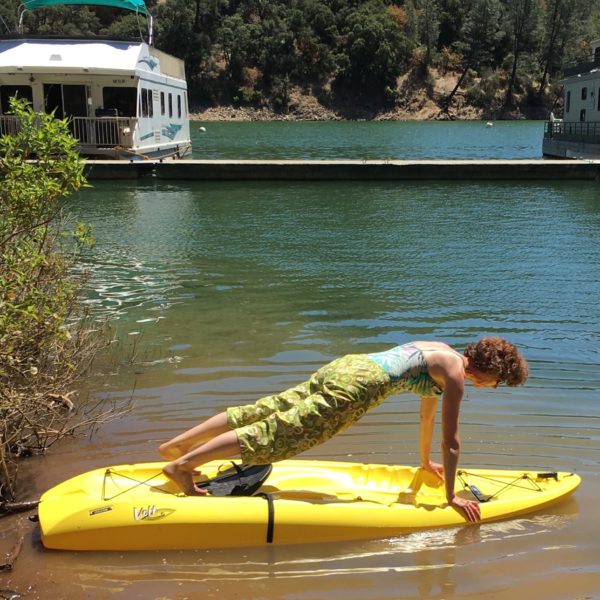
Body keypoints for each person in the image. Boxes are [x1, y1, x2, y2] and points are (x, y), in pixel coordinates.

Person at [159, 337, 528, 522]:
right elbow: (452, 440)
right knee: (281, 432)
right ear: (490, 372)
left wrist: (423, 461)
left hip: (348, 366)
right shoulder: (455, 376)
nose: (493, 387)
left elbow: (426, 417)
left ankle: (178, 445)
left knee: (271, 409)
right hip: (360, 387)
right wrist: (450, 497)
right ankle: (183, 466)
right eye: (498, 382)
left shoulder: (442, 353)